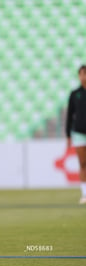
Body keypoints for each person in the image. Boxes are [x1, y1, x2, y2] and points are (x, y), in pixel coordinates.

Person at [66, 65, 86, 204]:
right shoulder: (75, 94)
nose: (84, 76)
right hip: (79, 133)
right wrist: (68, 135)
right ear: (79, 76)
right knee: (83, 164)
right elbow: (69, 115)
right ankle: (85, 194)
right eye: (82, 74)